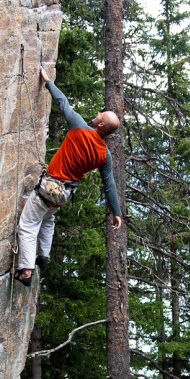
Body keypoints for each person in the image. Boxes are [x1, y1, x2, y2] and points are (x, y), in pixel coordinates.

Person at [14, 66, 122, 286]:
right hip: (63, 194)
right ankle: (43, 256)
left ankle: (25, 270)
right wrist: (116, 213)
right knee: (48, 218)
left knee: (27, 225)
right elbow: (109, 185)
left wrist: (47, 81)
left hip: (48, 187)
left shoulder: (79, 127)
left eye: (100, 114)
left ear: (101, 124)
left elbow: (62, 102)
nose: (98, 113)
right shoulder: (104, 155)